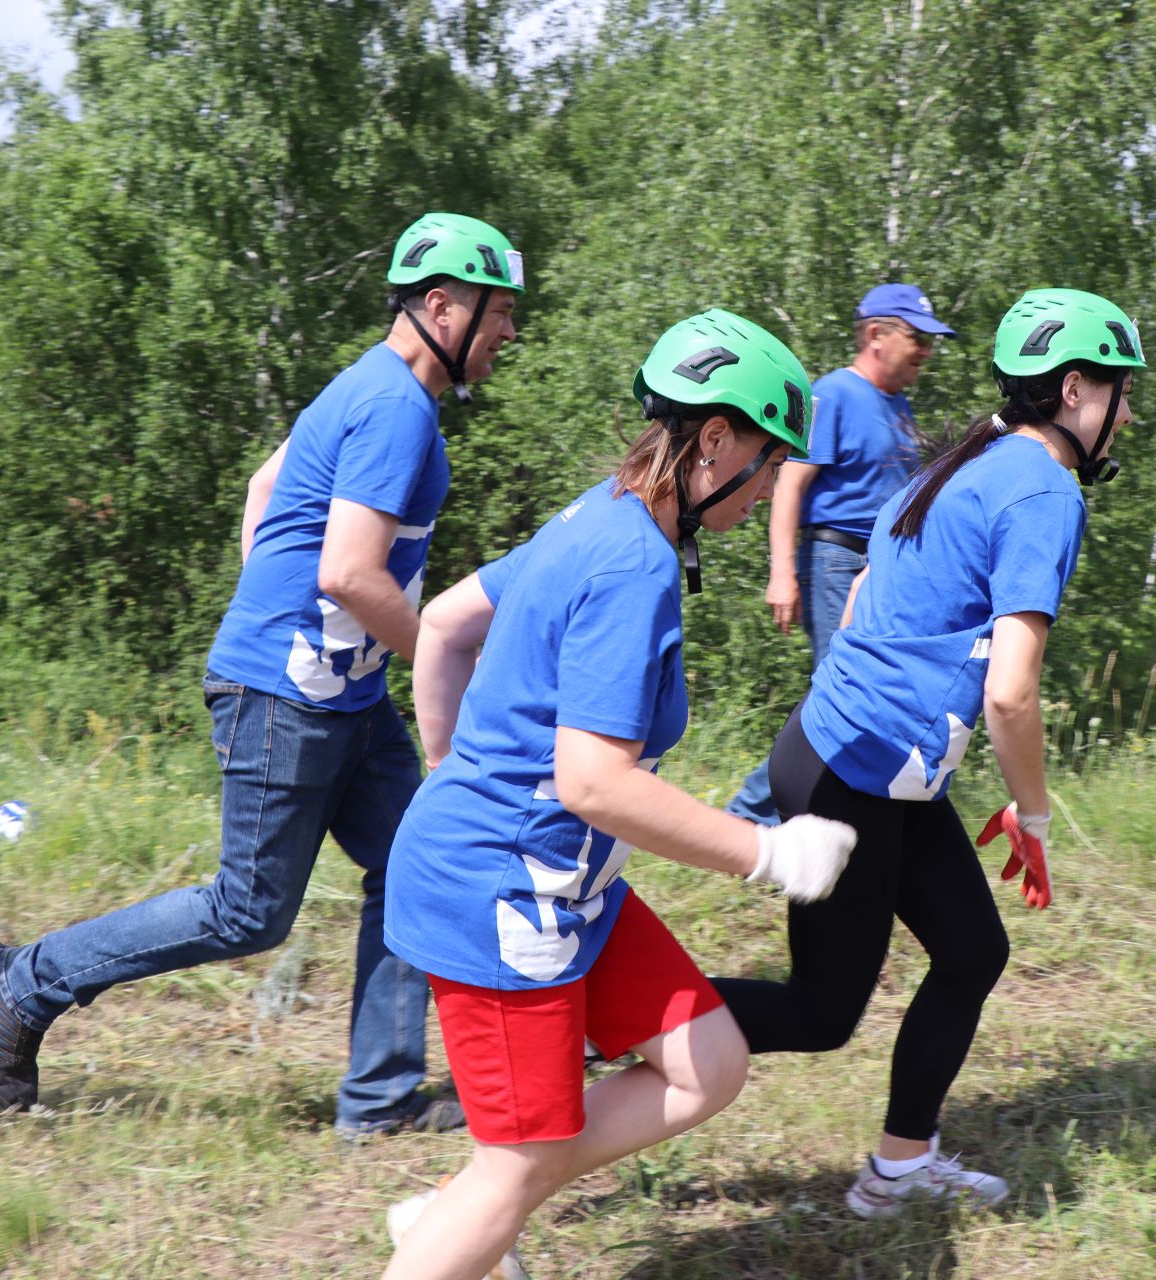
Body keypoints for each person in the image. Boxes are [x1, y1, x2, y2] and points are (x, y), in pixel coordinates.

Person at [0, 213, 525, 1137]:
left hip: (337, 691)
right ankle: (27, 982)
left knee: (414, 863)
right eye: (500, 312)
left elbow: (267, 490)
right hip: (288, 699)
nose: (510, 332)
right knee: (248, 913)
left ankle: (380, 1101)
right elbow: (347, 571)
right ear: (442, 306)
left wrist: (283, 617)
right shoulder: (392, 408)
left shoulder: (369, 387)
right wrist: (439, 650)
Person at [378, 309, 857, 1280]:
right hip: (506, 899)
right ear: (713, 439)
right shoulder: (633, 561)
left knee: (708, 1061)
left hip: (564, 887)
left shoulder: (595, 512)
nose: (767, 487)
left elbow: (442, 625)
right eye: (766, 462)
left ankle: (455, 1214)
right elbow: (594, 781)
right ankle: (464, 1220)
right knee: (522, 1157)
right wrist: (765, 851)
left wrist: (448, 770)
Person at [713, 288, 1146, 1217]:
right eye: (1120, 389)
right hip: (852, 776)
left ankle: (901, 1169)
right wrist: (1031, 815)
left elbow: (870, 583)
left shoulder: (970, 454)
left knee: (971, 950)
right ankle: (583, 1020)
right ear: (1075, 388)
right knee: (822, 1013)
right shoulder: (1041, 490)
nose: (1129, 413)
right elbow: (1012, 691)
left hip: (864, 764)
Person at [726, 283, 954, 825]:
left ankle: (786, 812)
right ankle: (752, 818)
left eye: (930, 340)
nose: (926, 350)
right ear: (876, 335)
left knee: (859, 695)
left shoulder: (899, 406)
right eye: (916, 337)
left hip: (877, 571)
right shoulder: (834, 394)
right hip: (835, 561)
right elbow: (789, 484)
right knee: (842, 696)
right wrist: (782, 573)